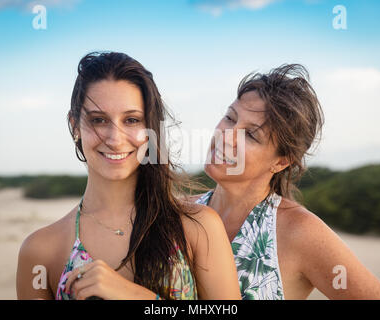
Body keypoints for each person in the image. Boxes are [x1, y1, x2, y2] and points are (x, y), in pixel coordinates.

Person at [16, 51, 241, 300]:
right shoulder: (40, 252)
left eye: (132, 120)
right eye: (99, 120)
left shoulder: (198, 227)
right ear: (74, 126)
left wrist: (135, 297)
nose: (115, 139)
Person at [191, 64, 380, 300]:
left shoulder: (299, 232)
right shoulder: (180, 212)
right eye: (230, 118)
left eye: (250, 135)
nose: (227, 137)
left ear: (281, 162)